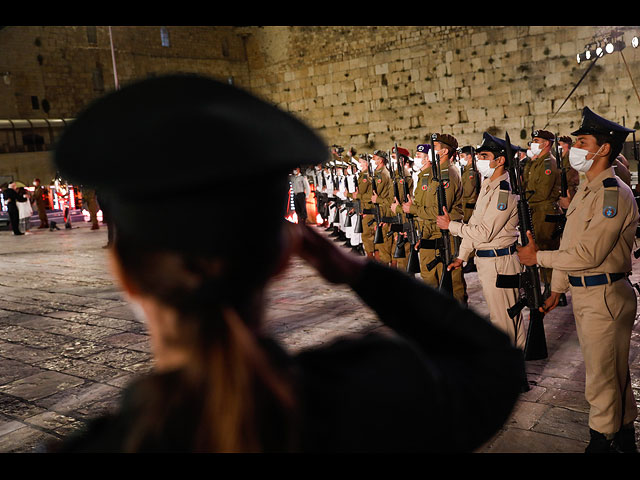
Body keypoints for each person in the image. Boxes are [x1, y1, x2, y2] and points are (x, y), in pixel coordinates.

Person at [46, 74, 525, 453]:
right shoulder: (379, 394)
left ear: (125, 275)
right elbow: (493, 363)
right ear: (281, 259)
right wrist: (356, 271)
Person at [518, 107, 639, 454]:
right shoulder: (587, 190)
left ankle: (601, 443)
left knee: (600, 378)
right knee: (612, 372)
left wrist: (537, 258)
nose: (575, 149)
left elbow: (587, 255)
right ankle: (625, 435)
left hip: (605, 295)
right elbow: (570, 244)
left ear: (603, 149)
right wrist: (557, 289)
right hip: (590, 293)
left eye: (582, 142)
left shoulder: (611, 194)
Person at [437, 133, 525, 351]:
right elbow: (475, 222)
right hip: (489, 261)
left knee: (504, 318)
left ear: (500, 160)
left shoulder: (504, 191)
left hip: (501, 261)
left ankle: (513, 373)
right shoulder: (488, 184)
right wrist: (462, 255)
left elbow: (484, 232)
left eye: (484, 156)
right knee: (502, 316)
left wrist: (451, 226)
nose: (480, 161)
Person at [401, 135, 466, 304]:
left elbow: (440, 210)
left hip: (445, 233)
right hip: (429, 231)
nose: (431, 150)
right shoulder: (433, 173)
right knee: (430, 277)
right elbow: (424, 202)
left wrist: (413, 209)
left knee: (452, 283)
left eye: (435, 147)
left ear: (444, 151)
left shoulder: (448, 174)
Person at [522, 130, 562, 297]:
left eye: (536, 140)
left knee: (546, 249)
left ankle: (553, 290)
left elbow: (542, 192)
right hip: (536, 209)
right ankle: (546, 285)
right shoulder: (537, 162)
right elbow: (525, 182)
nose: (533, 144)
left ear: (546, 144)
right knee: (537, 247)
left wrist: (525, 198)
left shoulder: (548, 164)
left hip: (545, 210)